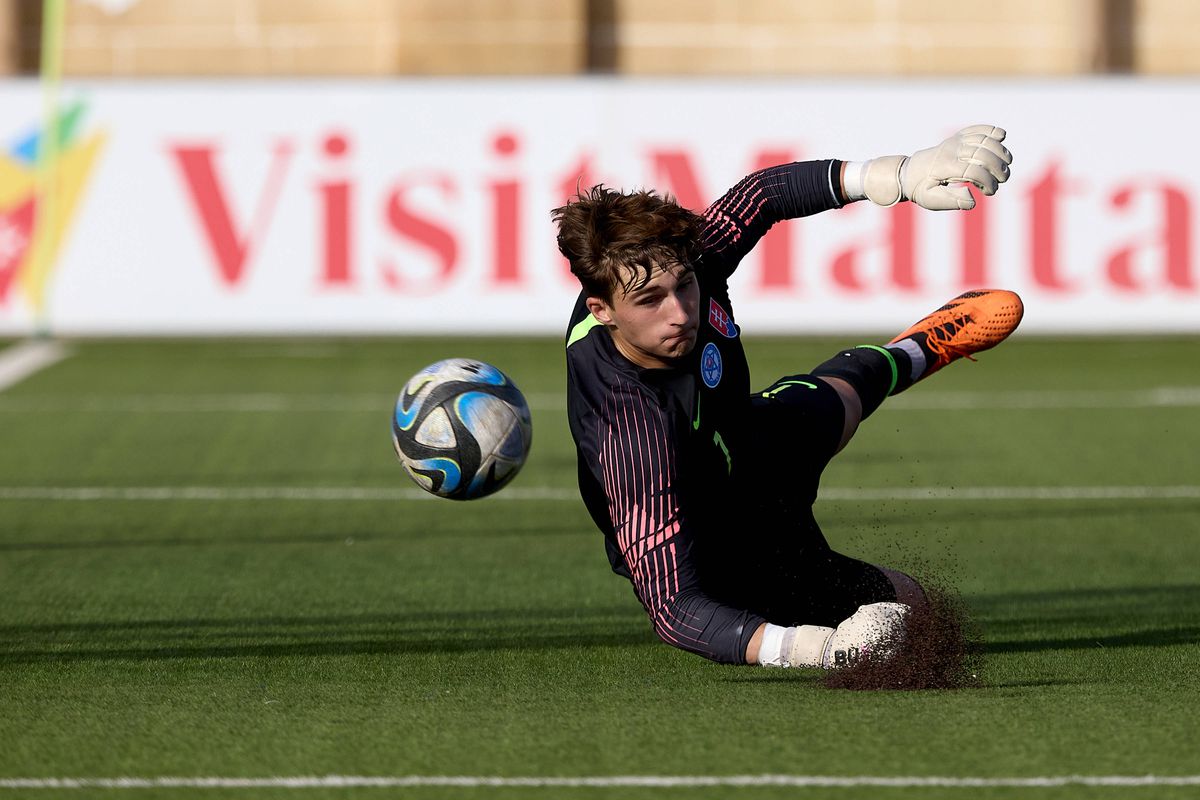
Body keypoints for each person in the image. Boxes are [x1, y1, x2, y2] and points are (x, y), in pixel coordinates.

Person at [554, 126, 1022, 670]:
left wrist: (893, 175)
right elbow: (674, 610)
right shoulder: (628, 429)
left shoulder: (681, 259)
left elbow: (761, 196)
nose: (680, 312)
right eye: (650, 300)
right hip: (718, 535)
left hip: (747, 436)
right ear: (602, 310)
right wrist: (817, 650)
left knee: (843, 394)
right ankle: (842, 615)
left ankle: (917, 348)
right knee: (915, 616)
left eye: (684, 285)